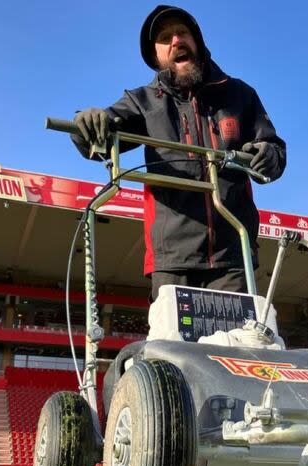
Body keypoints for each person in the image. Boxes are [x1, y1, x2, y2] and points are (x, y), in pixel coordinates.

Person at [71, 5, 286, 301]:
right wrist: (88, 123)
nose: (176, 41)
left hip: (233, 255)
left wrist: (269, 154)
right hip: (172, 258)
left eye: (182, 32)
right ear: (155, 56)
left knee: (236, 346)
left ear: (196, 40)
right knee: (171, 345)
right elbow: (102, 138)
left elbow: (274, 152)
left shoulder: (240, 94)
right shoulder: (142, 101)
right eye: (165, 38)